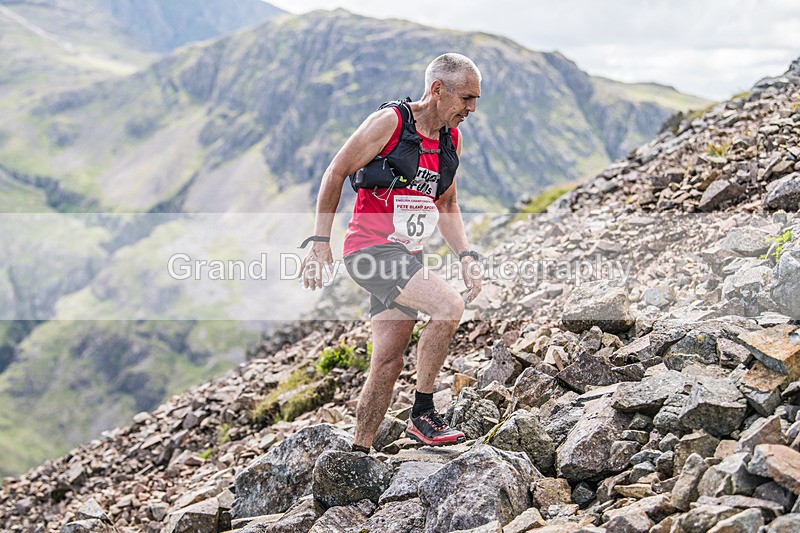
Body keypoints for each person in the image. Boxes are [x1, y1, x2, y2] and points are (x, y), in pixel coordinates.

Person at [299, 53, 483, 451]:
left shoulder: (452, 139)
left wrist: (466, 256)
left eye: (475, 101)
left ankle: (359, 449)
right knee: (448, 305)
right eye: (466, 98)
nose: (471, 109)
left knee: (388, 361)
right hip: (369, 251)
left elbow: (447, 205)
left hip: (407, 255)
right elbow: (336, 171)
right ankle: (423, 414)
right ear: (437, 90)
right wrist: (318, 242)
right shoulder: (390, 123)